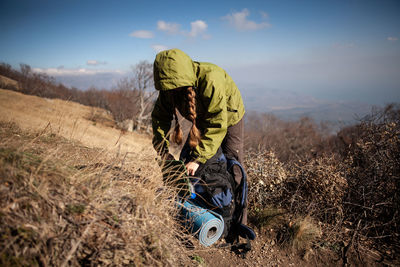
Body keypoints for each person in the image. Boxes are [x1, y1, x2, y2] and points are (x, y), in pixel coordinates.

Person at [151, 48, 247, 224]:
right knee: (187, 162)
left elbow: (217, 123)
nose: (172, 91)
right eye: (169, 88)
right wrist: (163, 152)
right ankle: (196, 208)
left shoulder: (211, 78)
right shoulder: (168, 89)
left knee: (232, 164)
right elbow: (159, 120)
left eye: (176, 87)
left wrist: (199, 158)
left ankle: (236, 222)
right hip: (201, 118)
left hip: (229, 116)